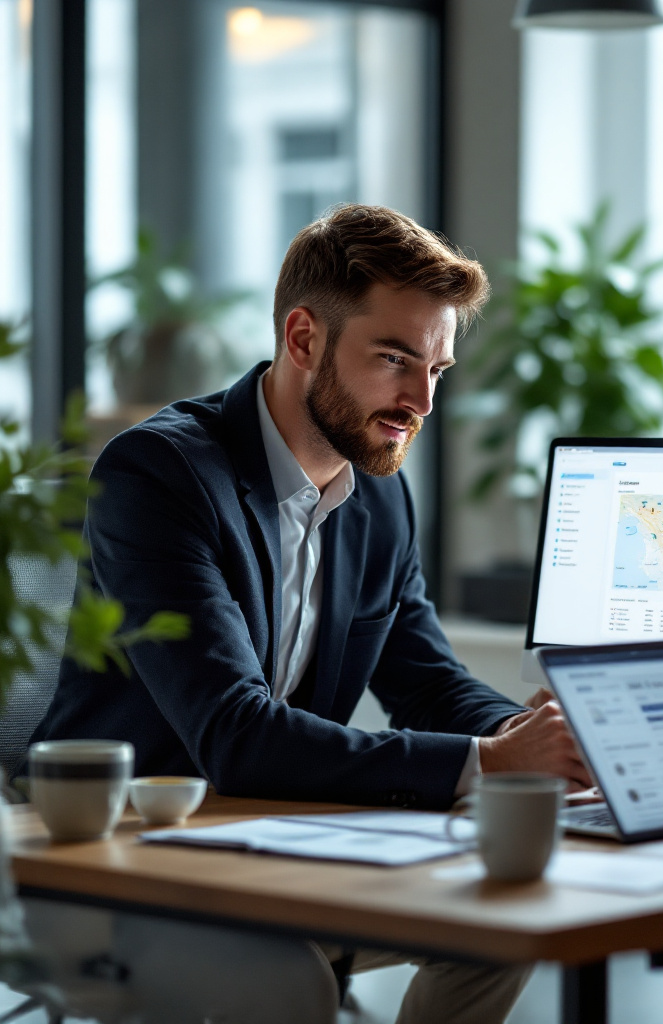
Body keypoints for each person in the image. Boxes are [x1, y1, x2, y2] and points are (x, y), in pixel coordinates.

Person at [32, 203, 591, 1023]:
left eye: (436, 370)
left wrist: (544, 738)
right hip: (121, 863)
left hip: (273, 843)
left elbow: (429, 683)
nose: (420, 403)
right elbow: (237, 735)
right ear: (303, 339)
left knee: (502, 923)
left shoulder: (379, 496)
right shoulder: (160, 476)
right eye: (395, 359)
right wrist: (492, 763)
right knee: (284, 985)